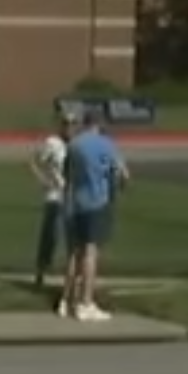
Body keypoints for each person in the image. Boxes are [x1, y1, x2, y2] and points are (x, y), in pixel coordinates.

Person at [59, 108, 128, 322]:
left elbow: (66, 173)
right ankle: (86, 302)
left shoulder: (75, 145)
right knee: (91, 252)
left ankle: (67, 300)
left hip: (76, 202)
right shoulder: (105, 144)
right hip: (97, 202)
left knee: (75, 254)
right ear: (99, 124)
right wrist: (122, 185)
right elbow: (118, 172)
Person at [31, 108, 77, 297]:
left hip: (75, 199)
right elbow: (34, 161)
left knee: (75, 242)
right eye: (66, 124)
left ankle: (73, 279)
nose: (69, 128)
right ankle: (41, 272)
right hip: (56, 197)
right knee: (50, 237)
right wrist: (43, 180)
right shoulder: (52, 143)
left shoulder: (79, 145)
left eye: (73, 124)